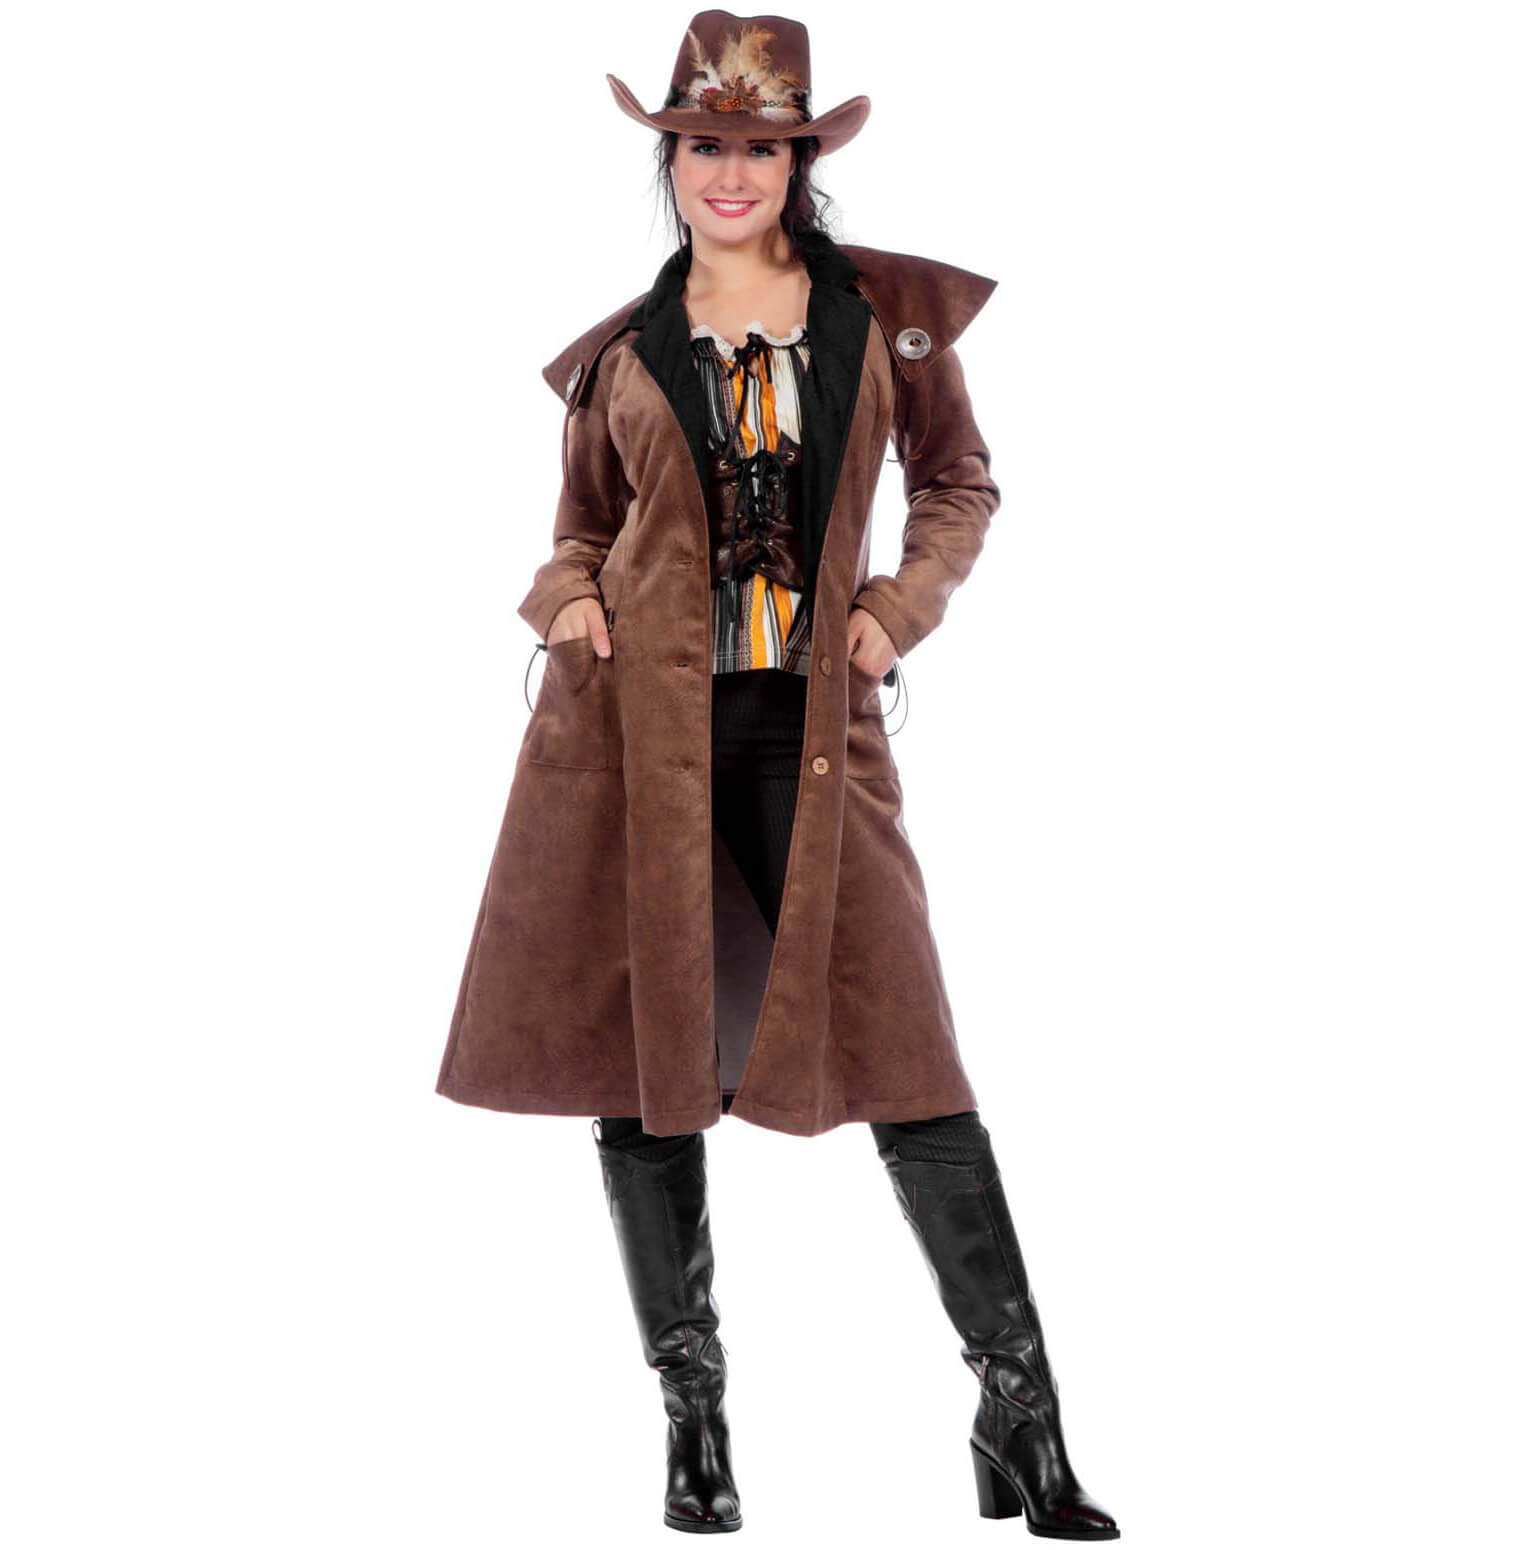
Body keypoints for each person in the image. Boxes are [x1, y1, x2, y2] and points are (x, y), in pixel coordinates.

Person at [437, 12, 1120, 1540]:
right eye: (702, 144)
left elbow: (958, 482)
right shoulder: (621, 355)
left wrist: (894, 610)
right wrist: (568, 602)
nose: (728, 172)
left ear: (798, 162)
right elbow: (574, 530)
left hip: (816, 730)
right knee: (648, 1071)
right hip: (633, 735)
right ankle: (693, 1422)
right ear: (670, 161)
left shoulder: (883, 327)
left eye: (758, 147)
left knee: (913, 1066)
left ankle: (1021, 1411)